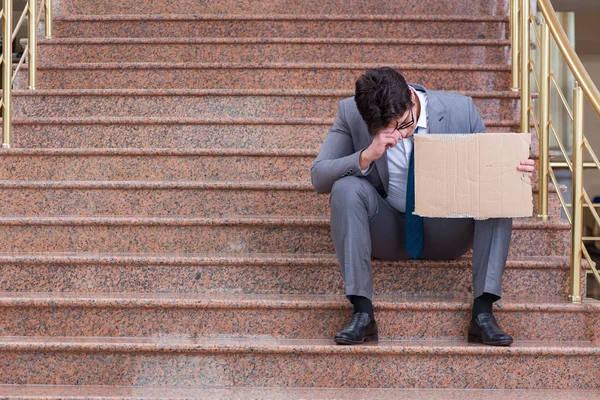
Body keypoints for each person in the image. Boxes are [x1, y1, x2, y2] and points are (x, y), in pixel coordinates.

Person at [310, 67, 535, 346]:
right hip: (387, 230)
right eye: (385, 130)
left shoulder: (460, 110)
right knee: (346, 188)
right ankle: (362, 314)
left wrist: (513, 170)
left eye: (404, 124)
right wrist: (367, 155)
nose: (399, 136)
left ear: (410, 97)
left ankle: (483, 314)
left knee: (496, 187)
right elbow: (319, 177)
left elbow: (488, 167)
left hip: (446, 230)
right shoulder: (351, 112)